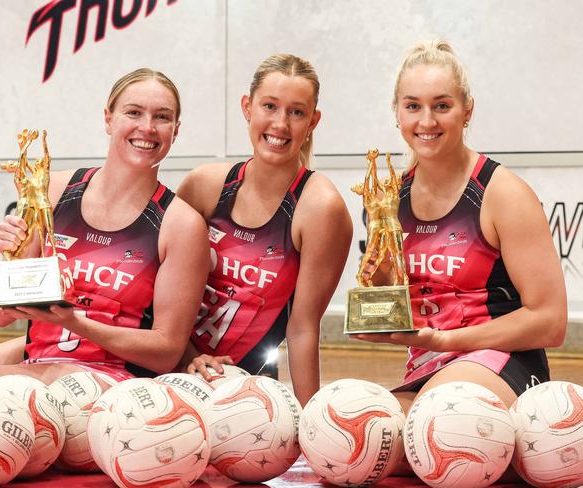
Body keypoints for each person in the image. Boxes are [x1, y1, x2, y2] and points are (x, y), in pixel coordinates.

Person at [0, 68, 209, 398]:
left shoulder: (181, 224)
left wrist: (74, 323)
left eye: (161, 117)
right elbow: (0, 313)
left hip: (115, 388)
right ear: (108, 119)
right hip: (41, 366)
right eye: (133, 112)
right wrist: (14, 258)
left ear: (175, 131)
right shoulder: (53, 190)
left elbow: (165, 352)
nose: (147, 127)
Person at [354, 40, 567, 413]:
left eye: (442, 105)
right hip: (430, 367)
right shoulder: (390, 200)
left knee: (441, 419)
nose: (427, 121)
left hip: (503, 361)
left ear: (467, 110)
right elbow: (391, 306)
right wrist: (377, 318)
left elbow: (550, 322)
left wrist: (443, 338)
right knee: (358, 435)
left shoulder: (503, 193)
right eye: (413, 106)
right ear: (397, 113)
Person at [180, 54, 352, 406]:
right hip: (175, 367)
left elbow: (303, 328)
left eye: (297, 112)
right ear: (247, 107)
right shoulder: (204, 186)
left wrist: (310, 420)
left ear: (313, 121)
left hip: (247, 389)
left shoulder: (321, 208)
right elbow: (156, 296)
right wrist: (187, 356)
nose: (280, 124)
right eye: (269, 106)